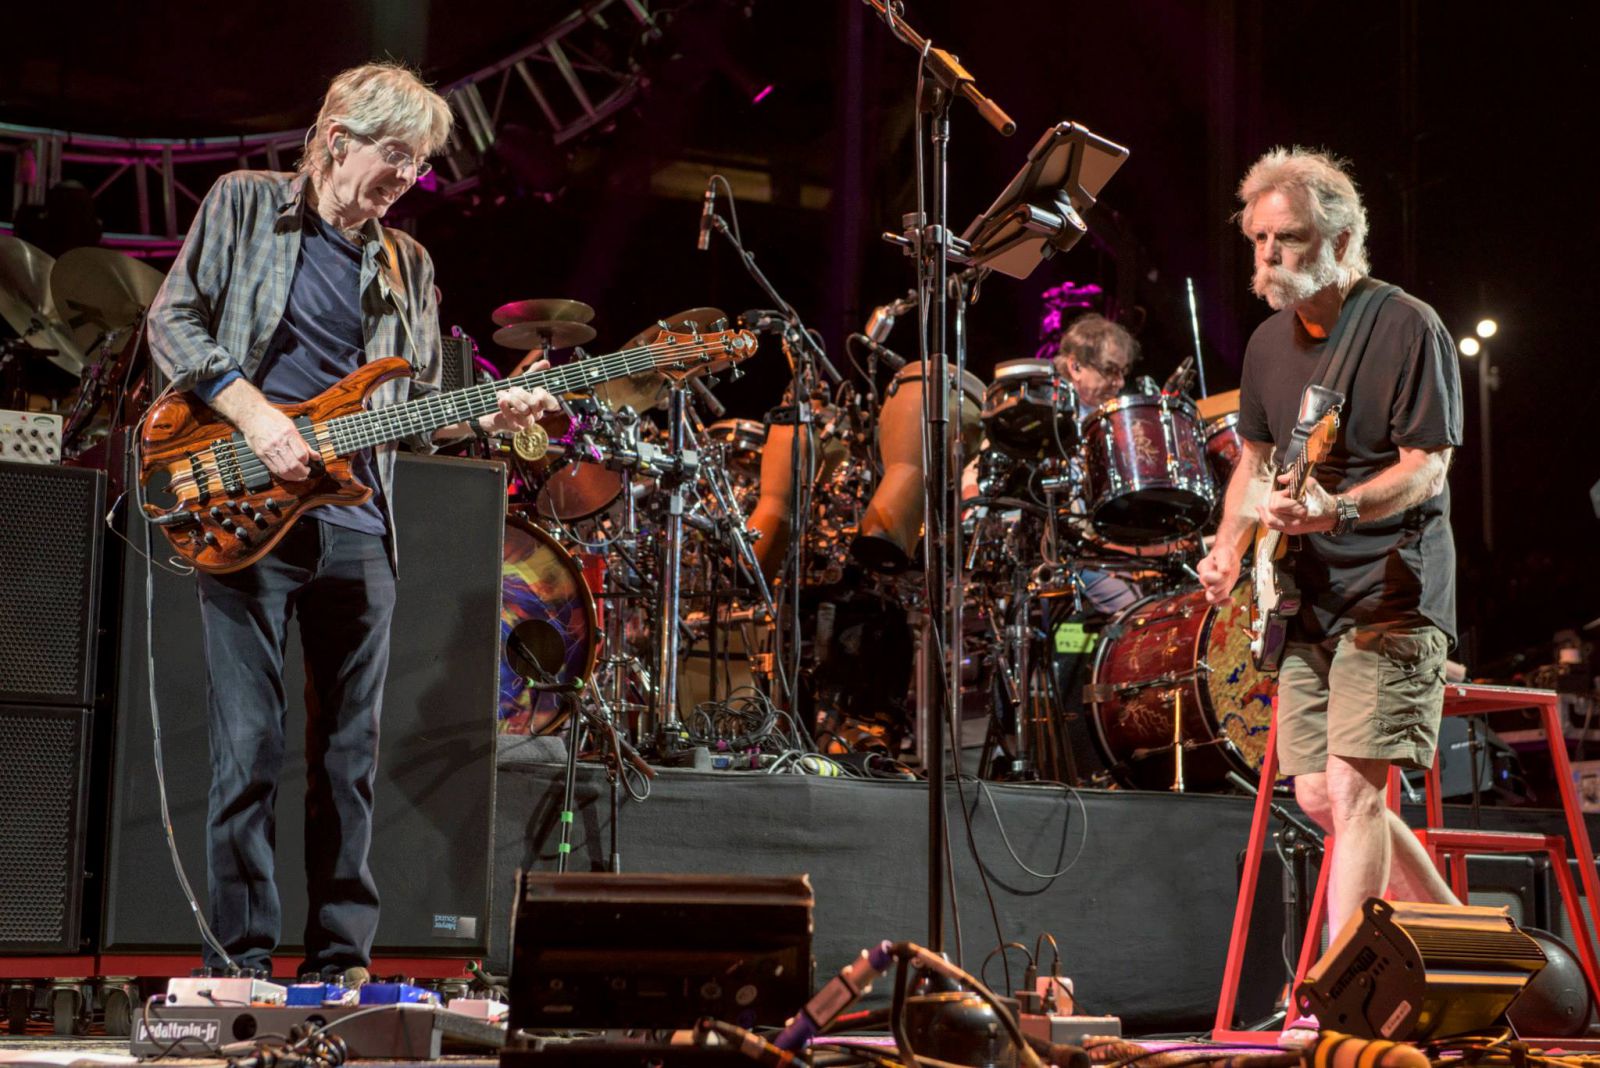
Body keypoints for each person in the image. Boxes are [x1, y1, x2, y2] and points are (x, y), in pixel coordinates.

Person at [146, 62, 557, 982]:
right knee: (248, 747)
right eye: (395, 156)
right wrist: (259, 419)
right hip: (243, 503)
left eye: (418, 166)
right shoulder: (244, 203)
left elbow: (420, 405)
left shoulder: (407, 262)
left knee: (348, 758)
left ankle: (342, 964)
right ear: (336, 138)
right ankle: (242, 963)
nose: (406, 179)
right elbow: (171, 323)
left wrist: (487, 414)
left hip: (358, 526)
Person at [1196, 147, 1462, 1035]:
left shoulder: (1406, 325)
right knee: (1320, 798)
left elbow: (1427, 469)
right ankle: (1458, 944)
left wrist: (1339, 509)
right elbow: (1258, 463)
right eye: (1260, 241)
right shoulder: (1268, 343)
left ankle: (1342, 1007)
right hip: (1306, 603)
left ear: (1342, 238)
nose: (1269, 258)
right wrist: (1229, 545)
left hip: (1394, 593)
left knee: (1354, 798)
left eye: (1289, 240)